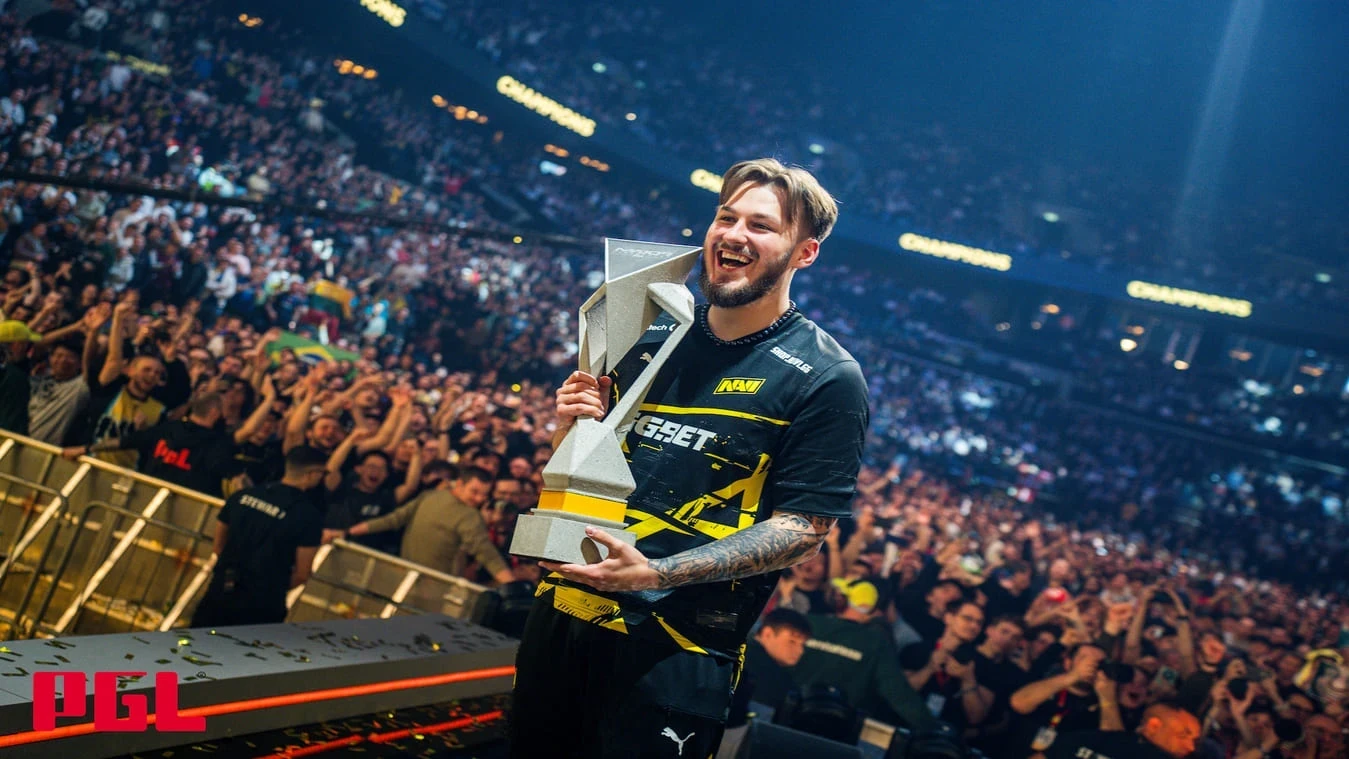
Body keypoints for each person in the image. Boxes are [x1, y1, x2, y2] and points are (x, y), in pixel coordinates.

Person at [509, 158, 869, 759]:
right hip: (563, 616)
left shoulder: (827, 376)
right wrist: (570, 425)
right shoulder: (648, 330)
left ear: (804, 253)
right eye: (726, 217)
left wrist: (657, 574)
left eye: (761, 226)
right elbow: (584, 464)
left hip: (675, 652)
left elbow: (804, 529)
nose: (734, 234)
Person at [190, 446, 327, 628]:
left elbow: (218, 546)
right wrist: (272, 588)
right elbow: (302, 573)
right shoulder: (308, 516)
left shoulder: (243, 496)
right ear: (311, 474)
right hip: (263, 602)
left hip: (223, 588)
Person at [793, 578, 937, 731]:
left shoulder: (808, 623)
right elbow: (900, 696)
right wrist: (932, 730)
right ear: (873, 610)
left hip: (789, 719)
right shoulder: (876, 643)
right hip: (838, 731)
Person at [337, 463, 516, 584]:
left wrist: (348, 532)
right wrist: (512, 586)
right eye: (474, 492)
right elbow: (393, 520)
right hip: (432, 585)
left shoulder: (432, 496)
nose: (479, 499)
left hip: (408, 577)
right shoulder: (467, 515)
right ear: (460, 484)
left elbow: (485, 553)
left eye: (484, 494)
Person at [1042, 702, 1201, 759]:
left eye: (1194, 741)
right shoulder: (1086, 740)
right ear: (1153, 726)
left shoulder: (1083, 739)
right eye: (1182, 736)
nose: (1191, 747)